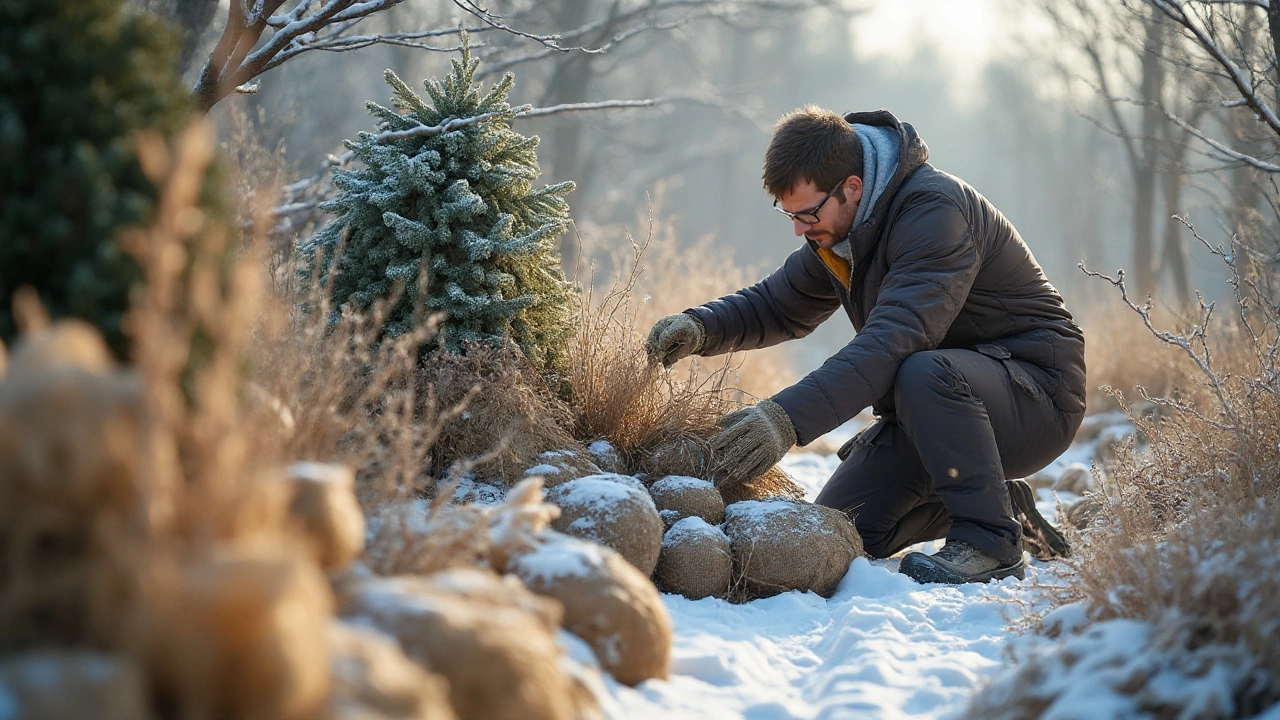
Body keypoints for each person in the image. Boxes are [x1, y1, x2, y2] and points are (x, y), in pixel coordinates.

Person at [645, 107, 1086, 585]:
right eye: (790, 214)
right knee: (846, 524)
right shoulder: (842, 231)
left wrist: (784, 419)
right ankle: (1002, 505)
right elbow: (778, 305)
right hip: (944, 406)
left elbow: (892, 342)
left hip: (1037, 394)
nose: (799, 228)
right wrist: (700, 326)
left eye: (807, 213)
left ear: (852, 188)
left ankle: (990, 542)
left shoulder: (935, 214)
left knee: (924, 372)